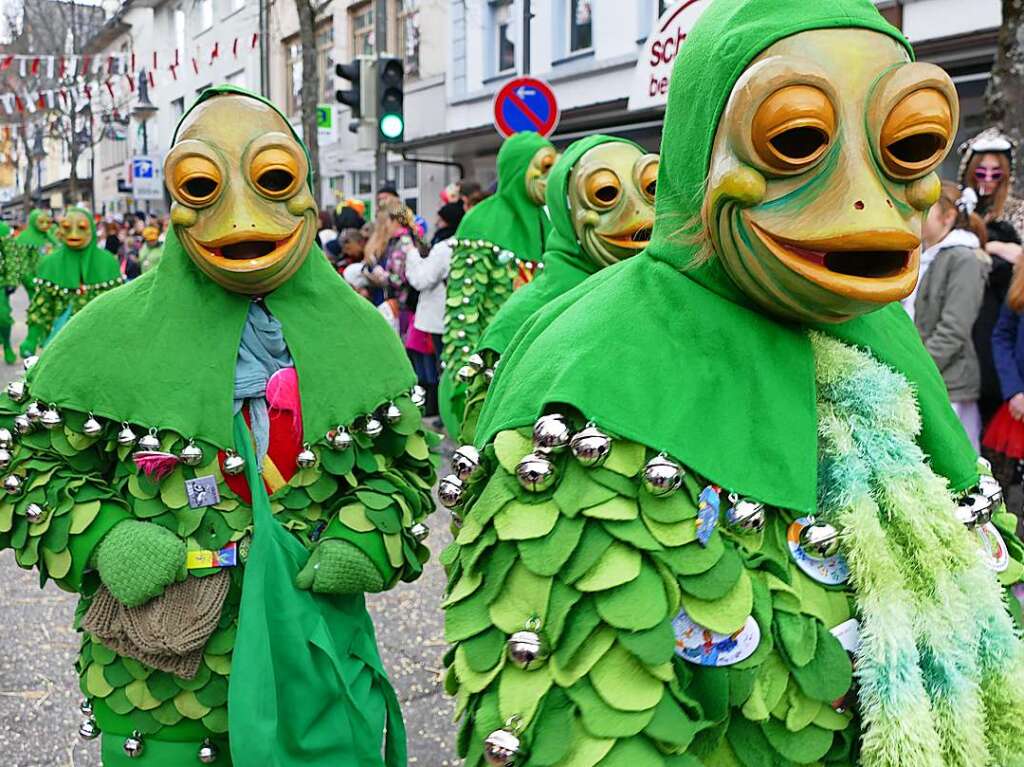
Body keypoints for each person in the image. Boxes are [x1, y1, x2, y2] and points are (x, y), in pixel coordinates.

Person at [440, 2, 1024, 765]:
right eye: (795, 139)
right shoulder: (591, 379)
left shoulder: (883, 338)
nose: (863, 198)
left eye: (907, 144)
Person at [0, 85, 437, 766]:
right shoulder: (105, 336)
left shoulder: (359, 334)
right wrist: (104, 533)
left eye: (272, 179)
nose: (241, 216)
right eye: (203, 185)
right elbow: (22, 463)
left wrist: (366, 534)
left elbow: (404, 468)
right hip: (165, 683)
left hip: (312, 661)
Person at [458, 135, 658, 441]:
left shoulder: (671, 296)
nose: (637, 211)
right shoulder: (530, 311)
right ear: (568, 214)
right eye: (605, 192)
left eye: (652, 188)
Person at [439, 132, 556, 435]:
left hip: (538, 369)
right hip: (492, 370)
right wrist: (464, 374)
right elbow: (464, 306)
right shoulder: (481, 221)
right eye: (543, 167)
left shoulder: (551, 223)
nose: (549, 177)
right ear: (518, 168)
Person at [908, 182, 990, 449]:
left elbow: (953, 329)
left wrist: (920, 370)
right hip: (919, 374)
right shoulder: (920, 255)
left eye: (925, 210)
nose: (915, 216)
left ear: (948, 217)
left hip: (947, 381)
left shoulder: (963, 259)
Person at [963, 129, 1024, 425]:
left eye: (995, 174)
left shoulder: (1016, 212)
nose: (987, 180)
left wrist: (1004, 248)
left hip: (999, 321)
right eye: (981, 173)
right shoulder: (960, 210)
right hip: (962, 318)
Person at [19, 207, 122, 358]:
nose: (74, 234)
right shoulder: (49, 263)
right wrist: (31, 339)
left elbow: (119, 307)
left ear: (91, 229)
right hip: (61, 341)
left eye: (81, 227)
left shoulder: (108, 263)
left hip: (101, 341)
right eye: (67, 227)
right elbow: (41, 307)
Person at [405, 200, 467, 418]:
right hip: (462, 315)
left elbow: (422, 279)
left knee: (444, 367)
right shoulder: (467, 242)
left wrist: (412, 256)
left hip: (440, 317)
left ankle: (446, 414)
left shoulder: (444, 248)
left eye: (440, 219)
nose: (437, 223)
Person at [13, 208, 58, 298]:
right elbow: (22, 263)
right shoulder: (24, 238)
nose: (45, 225)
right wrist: (31, 282)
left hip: (55, 280)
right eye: (41, 222)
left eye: (48, 222)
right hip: (36, 282)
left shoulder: (49, 236)